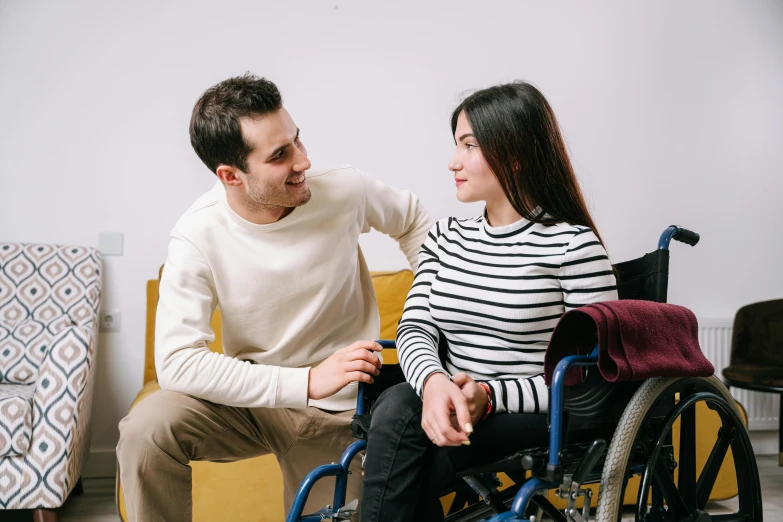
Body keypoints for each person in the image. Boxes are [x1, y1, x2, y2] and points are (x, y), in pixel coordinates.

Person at [116, 73, 432, 522]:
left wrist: (433, 306)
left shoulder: (343, 190)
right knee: (147, 429)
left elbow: (414, 219)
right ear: (231, 176)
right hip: (252, 404)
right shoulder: (197, 234)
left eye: (297, 141)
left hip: (340, 411)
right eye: (280, 155)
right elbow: (177, 362)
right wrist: (304, 382)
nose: (303, 161)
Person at [360, 81, 618, 522]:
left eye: (469, 145)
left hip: (529, 414)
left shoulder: (572, 247)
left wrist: (490, 395)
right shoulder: (444, 238)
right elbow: (415, 328)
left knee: (403, 428)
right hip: (442, 402)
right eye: (455, 144)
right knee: (404, 405)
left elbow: (590, 378)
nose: (452, 161)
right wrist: (436, 384)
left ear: (514, 153)